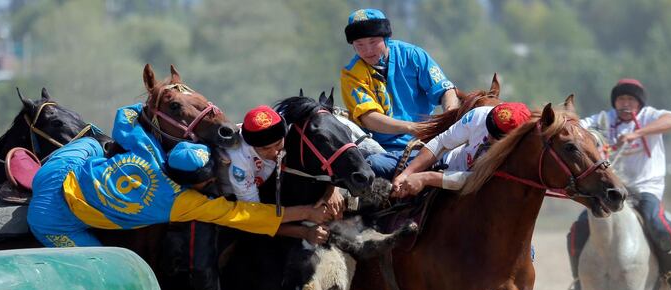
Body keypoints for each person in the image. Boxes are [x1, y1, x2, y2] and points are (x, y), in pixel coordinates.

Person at [27, 102, 332, 290]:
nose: (214, 181)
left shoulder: (152, 152)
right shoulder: (180, 203)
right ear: (196, 183)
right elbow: (246, 215)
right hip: (51, 215)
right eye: (209, 179)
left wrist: (147, 103)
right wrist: (306, 213)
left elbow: (126, 117)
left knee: (96, 141)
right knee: (104, 270)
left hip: (64, 167)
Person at [567, 78, 671, 290]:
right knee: (579, 227)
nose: (625, 103)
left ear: (639, 103)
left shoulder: (649, 116)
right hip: (611, 189)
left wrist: (638, 133)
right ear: (615, 102)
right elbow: (576, 127)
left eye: (631, 99)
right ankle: (579, 281)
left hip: (645, 187)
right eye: (621, 99)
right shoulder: (604, 120)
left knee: (657, 223)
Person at [340, 8, 459, 180]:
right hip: (382, 150)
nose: (367, 50)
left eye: (373, 42)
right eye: (359, 45)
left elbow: (446, 90)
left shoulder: (413, 55)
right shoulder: (351, 74)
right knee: (370, 166)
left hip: (427, 143)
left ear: (386, 38)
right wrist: (412, 128)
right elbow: (368, 118)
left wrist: (450, 117)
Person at [220, 105, 343, 245]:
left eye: (278, 144)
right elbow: (254, 219)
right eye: (265, 149)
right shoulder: (239, 164)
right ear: (251, 145)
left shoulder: (286, 128)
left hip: (267, 181)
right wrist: (305, 229)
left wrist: (332, 188)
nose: (274, 153)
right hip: (232, 198)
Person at [392, 102, 532, 197]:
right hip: (444, 163)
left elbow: (474, 180)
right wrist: (406, 173)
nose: (489, 136)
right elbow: (442, 142)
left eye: (496, 136)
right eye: (489, 127)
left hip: (477, 196)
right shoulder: (480, 115)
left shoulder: (516, 153)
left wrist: (426, 178)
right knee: (377, 163)